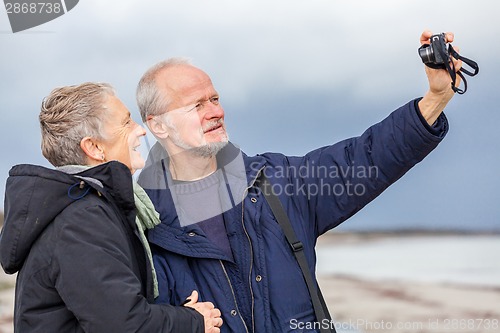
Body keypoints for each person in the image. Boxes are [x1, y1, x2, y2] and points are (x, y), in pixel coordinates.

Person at [136, 30, 462, 332]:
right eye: (196, 105)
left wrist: (435, 98)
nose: (215, 112)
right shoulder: (140, 223)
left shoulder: (278, 183)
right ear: (158, 125)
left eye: (215, 99)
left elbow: (362, 158)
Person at [0, 83, 224, 332]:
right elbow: (123, 325)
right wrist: (193, 321)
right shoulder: (81, 221)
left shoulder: (89, 209)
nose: (140, 130)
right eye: (126, 123)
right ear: (94, 148)